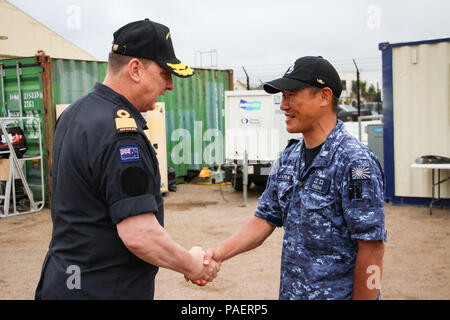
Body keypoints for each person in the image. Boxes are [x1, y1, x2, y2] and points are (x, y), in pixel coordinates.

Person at [35, 19, 219, 300]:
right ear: (135, 69)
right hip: (103, 290)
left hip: (61, 281)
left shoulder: (74, 114)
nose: (169, 85)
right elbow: (140, 235)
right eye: (164, 73)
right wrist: (192, 265)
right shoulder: (122, 133)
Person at [193, 56, 387, 300]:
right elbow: (264, 219)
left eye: (291, 94)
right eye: (283, 96)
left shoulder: (355, 163)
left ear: (324, 97)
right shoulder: (289, 158)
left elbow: (372, 248)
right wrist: (217, 253)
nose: (283, 105)